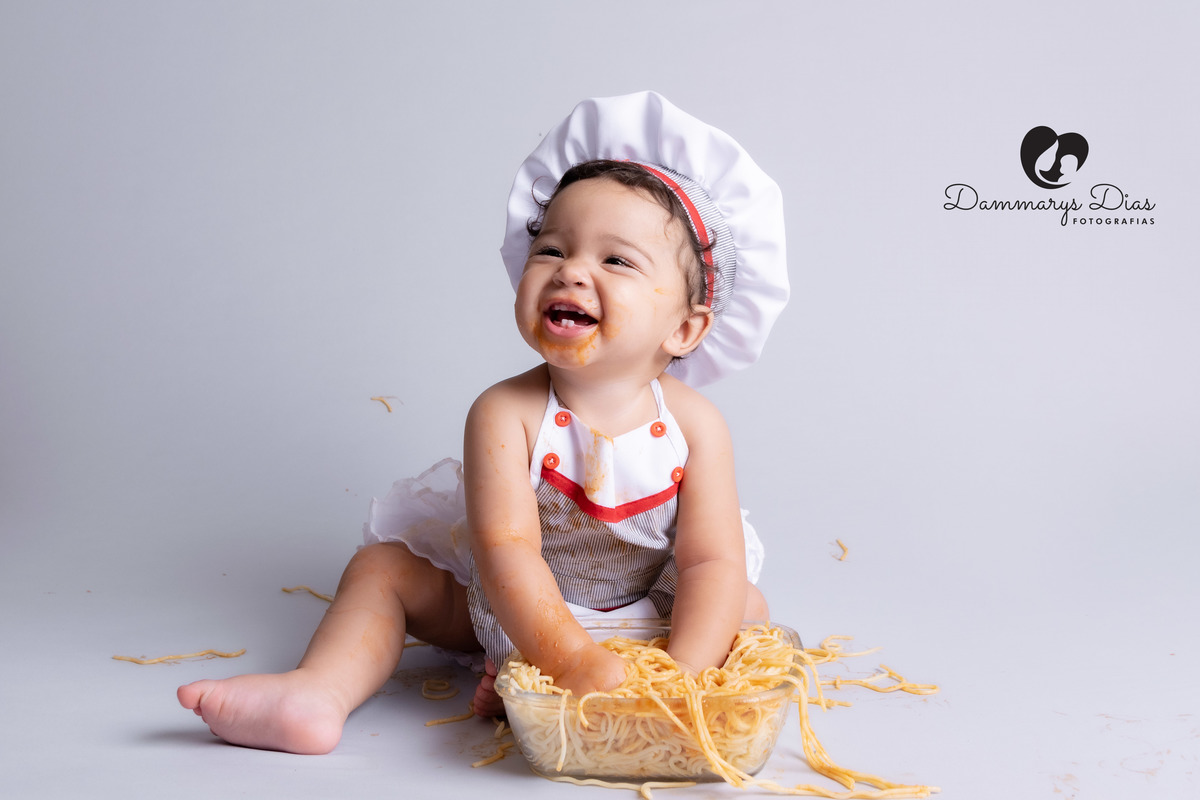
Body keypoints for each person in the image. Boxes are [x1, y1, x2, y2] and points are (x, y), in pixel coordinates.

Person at [177, 91, 788, 755]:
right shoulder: (507, 412)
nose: (573, 271)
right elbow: (508, 555)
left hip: (651, 622)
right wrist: (569, 662)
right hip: (526, 616)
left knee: (743, 602)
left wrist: (680, 676)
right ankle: (317, 692)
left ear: (686, 328)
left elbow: (710, 559)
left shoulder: (696, 424)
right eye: (552, 249)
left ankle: (621, 699)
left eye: (615, 260)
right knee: (383, 570)